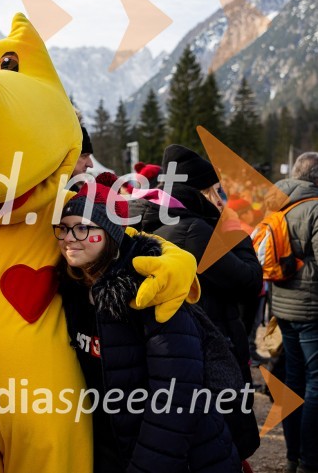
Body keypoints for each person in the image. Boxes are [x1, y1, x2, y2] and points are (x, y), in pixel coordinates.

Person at [56, 172, 242, 472]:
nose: (68, 238)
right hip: (115, 446)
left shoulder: (151, 289)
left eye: (82, 228)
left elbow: (177, 397)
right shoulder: (74, 289)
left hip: (181, 457)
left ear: (110, 233)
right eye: (63, 228)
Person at [128, 144, 262, 460]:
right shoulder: (195, 229)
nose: (220, 199)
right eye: (214, 190)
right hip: (210, 345)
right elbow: (249, 281)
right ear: (198, 192)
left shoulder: (147, 219)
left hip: (166, 348)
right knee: (219, 442)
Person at [269, 152, 318, 473]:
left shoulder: (278, 203)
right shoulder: (315, 208)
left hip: (282, 306)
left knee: (293, 380)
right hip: (311, 309)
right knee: (315, 384)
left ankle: (292, 456)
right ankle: (310, 460)